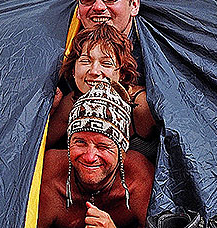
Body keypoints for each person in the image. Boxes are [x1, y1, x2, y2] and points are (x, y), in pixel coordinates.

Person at [34, 80, 154, 228]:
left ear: (122, 151)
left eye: (102, 146)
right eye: (80, 142)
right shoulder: (48, 178)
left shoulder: (140, 181)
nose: (89, 157)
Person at [46, 24, 158, 162]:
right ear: (73, 70)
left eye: (106, 63)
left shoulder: (141, 105)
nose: (94, 71)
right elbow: (38, 147)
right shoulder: (72, 103)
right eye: (86, 61)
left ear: (122, 73)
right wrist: (49, 110)